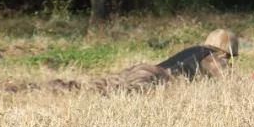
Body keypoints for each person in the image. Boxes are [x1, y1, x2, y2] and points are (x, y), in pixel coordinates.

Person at [38, 29, 239, 93]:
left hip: (145, 69)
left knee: (99, 86)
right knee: (113, 92)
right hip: (156, 78)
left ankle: (51, 87)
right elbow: (227, 83)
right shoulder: (216, 56)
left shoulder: (199, 50)